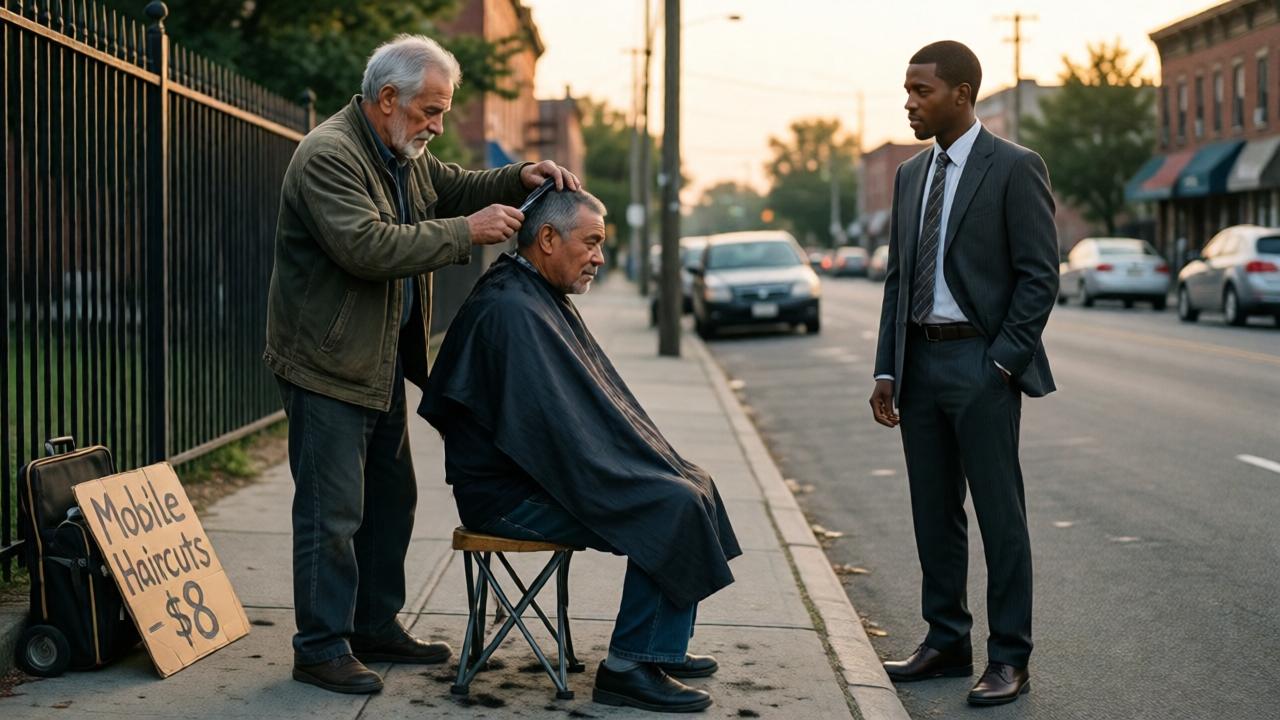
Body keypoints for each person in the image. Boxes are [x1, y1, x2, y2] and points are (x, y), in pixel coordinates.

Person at [264, 34, 580, 695]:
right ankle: (320, 647)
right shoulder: (331, 156)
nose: (438, 126)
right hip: (327, 364)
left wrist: (518, 176)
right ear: (388, 99)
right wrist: (467, 233)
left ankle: (374, 625)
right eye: (430, 112)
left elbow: (456, 186)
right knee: (332, 514)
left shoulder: (402, 153)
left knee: (392, 501)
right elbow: (366, 247)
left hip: (377, 362)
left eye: (441, 112)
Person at [419, 189, 741, 713]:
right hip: (507, 501)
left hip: (531, 480)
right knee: (669, 503)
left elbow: (569, 420)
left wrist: (632, 464)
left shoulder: (529, 293)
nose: (599, 257)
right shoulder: (510, 309)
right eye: (591, 243)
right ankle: (629, 667)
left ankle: (659, 644)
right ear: (547, 239)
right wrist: (620, 475)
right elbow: (550, 432)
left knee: (691, 481)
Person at [868, 41, 1058, 707]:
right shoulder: (910, 175)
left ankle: (1010, 657)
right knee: (933, 511)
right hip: (918, 362)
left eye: (922, 90)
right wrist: (888, 368)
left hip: (981, 362)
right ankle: (946, 639)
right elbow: (898, 279)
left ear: (962, 93)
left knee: (1000, 516)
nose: (909, 102)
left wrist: (1002, 362)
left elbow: (1040, 274)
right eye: (907, 90)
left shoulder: (1013, 167)